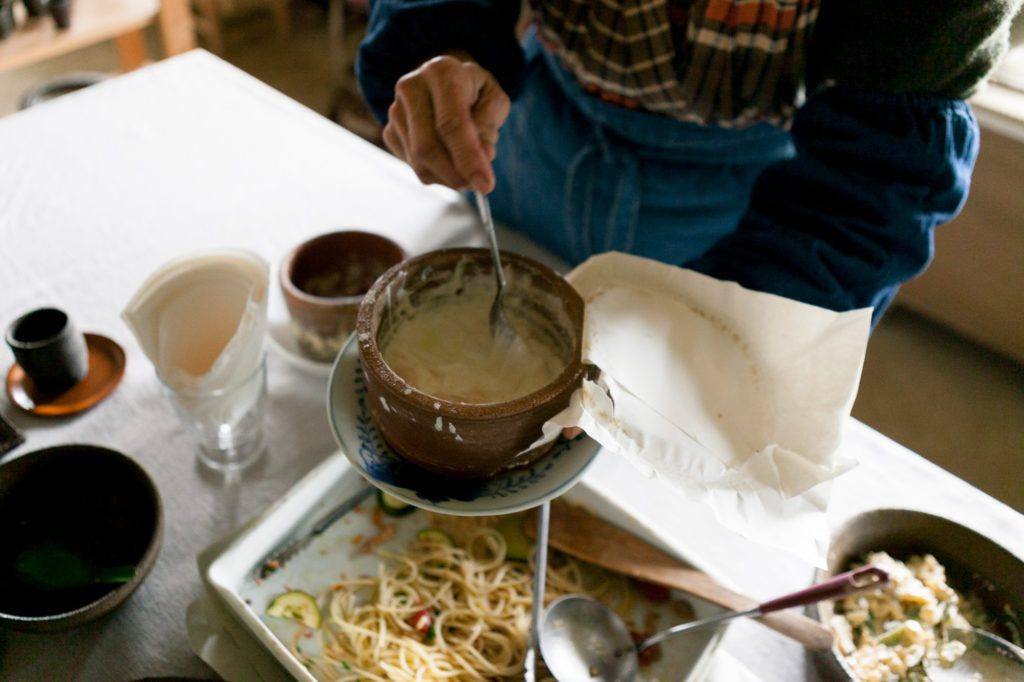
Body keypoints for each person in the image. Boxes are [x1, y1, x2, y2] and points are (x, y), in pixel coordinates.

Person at [355, 0, 1022, 325]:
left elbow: (878, 180)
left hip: (757, 213)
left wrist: (721, 348)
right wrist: (445, 44)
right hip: (531, 142)